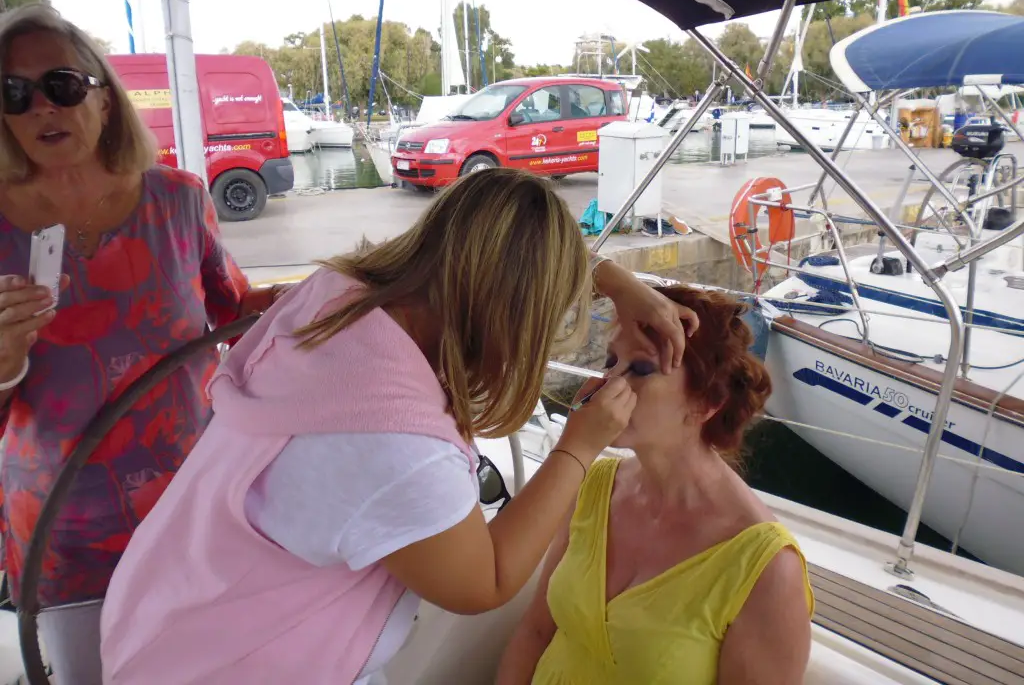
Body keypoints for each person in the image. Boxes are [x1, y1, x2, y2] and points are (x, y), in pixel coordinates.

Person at [100, 167, 697, 684]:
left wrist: (616, 281)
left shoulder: (335, 299)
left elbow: (493, 257)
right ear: (517, 316)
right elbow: (483, 583)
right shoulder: (391, 442)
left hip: (172, 624)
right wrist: (577, 447)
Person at [0, 3, 280, 682]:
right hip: (62, 533)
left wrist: (319, 303)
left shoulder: (179, 200)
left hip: (196, 507)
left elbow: (235, 314)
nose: (42, 107)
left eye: (61, 84)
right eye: (13, 92)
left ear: (102, 95)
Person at [498, 285, 815, 685]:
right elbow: (536, 631)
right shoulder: (593, 486)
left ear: (706, 403)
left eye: (641, 369)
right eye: (611, 361)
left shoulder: (766, 569)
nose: (609, 384)